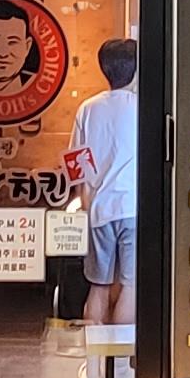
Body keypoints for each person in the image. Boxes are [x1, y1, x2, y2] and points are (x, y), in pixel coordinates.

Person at [71, 38, 139, 332]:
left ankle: (95, 355)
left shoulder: (88, 109)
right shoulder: (142, 106)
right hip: (134, 206)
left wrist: (86, 204)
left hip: (99, 209)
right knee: (130, 286)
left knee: (98, 286)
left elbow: (76, 166)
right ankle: (121, 355)